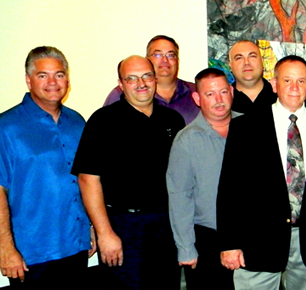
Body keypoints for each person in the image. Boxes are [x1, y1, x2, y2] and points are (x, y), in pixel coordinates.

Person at [218, 55, 306, 290]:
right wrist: (229, 243)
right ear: (274, 84)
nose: (294, 87)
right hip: (258, 242)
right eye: (287, 80)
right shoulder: (245, 127)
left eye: (301, 81)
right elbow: (229, 188)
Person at [73, 55, 185, 289]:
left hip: (167, 226)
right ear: (120, 84)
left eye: (146, 76)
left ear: (155, 79)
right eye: (131, 78)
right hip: (123, 226)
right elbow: (87, 179)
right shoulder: (103, 120)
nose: (141, 83)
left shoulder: (172, 120)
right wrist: (104, 233)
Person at [0, 46, 94, 289]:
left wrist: (91, 227)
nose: (53, 82)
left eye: (59, 74)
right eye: (43, 75)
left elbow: (85, 181)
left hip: (76, 245)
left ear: (68, 80)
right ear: (28, 80)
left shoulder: (77, 122)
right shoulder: (6, 127)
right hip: (32, 254)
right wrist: (5, 249)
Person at [167, 68, 239, 290]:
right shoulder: (186, 140)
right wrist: (186, 248)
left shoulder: (253, 129)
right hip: (207, 240)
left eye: (223, 92)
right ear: (197, 98)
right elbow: (179, 197)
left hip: (249, 237)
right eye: (210, 94)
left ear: (232, 92)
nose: (219, 100)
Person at [103, 35, 199, 124]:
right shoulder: (121, 93)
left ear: (177, 60)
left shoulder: (198, 92)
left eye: (171, 55)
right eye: (157, 55)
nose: (165, 60)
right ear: (147, 59)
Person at [227, 40, 277, 113]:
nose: (246, 62)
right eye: (239, 58)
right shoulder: (223, 102)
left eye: (252, 56)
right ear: (230, 66)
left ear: (262, 61)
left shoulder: (281, 98)